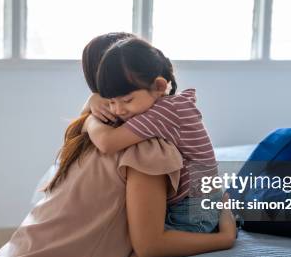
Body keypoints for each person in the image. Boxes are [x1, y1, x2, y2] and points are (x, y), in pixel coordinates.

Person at [0, 33, 237, 257]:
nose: (121, 106)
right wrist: (223, 239)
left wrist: (90, 112)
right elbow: (149, 245)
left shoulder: (82, 135)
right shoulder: (145, 148)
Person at [84, 37, 221, 233]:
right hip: (197, 202)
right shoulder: (164, 104)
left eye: (127, 100)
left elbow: (107, 142)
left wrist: (89, 119)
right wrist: (92, 100)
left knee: (135, 249)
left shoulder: (163, 112)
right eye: (111, 102)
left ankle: (219, 240)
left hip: (194, 211)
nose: (118, 110)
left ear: (159, 86)